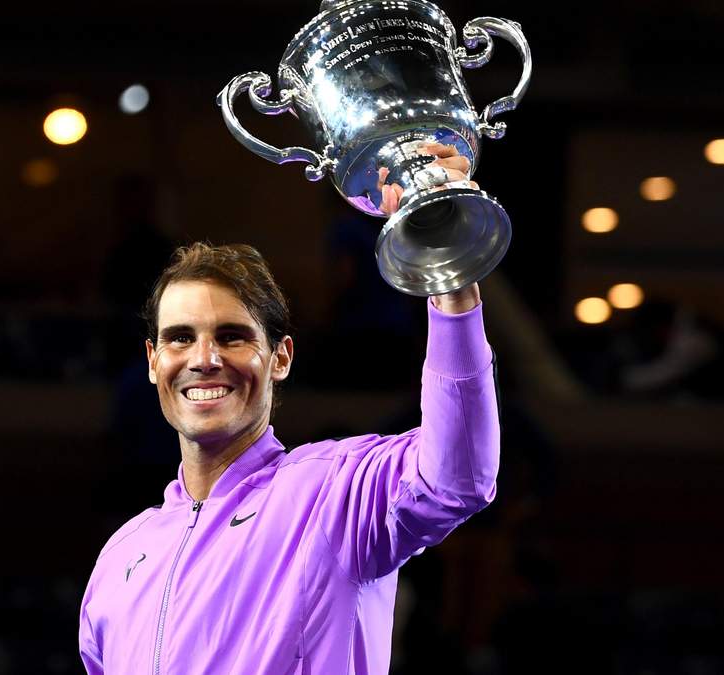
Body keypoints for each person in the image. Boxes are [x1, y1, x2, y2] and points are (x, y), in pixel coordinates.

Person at [78, 143, 500, 674]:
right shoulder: (121, 556)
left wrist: (450, 268)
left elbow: (457, 476)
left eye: (231, 336)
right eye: (180, 338)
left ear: (280, 357)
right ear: (153, 360)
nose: (203, 359)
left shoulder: (336, 495)